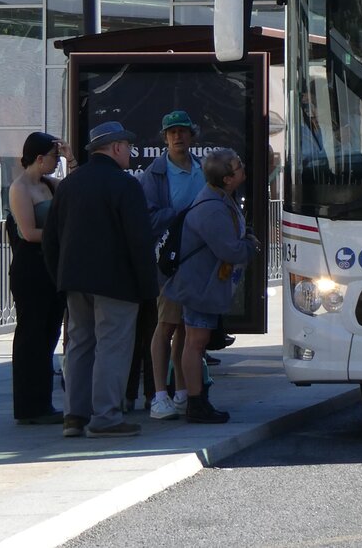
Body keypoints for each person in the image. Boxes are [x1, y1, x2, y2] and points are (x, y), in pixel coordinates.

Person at [42, 121, 158, 439]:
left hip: (74, 280)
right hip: (117, 284)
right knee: (112, 346)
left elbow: (51, 239)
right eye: (128, 147)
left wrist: (59, 277)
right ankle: (105, 417)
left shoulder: (68, 185)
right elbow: (139, 241)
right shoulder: (125, 186)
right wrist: (148, 288)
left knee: (78, 344)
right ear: (117, 147)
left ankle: (73, 416)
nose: (131, 153)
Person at [162, 148, 260, 424]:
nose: (243, 168)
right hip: (198, 285)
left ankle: (195, 398)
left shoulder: (218, 199)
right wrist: (250, 246)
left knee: (195, 341)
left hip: (201, 283)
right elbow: (229, 249)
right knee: (195, 342)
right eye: (238, 166)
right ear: (228, 178)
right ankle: (196, 402)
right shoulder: (213, 207)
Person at [136, 110, 205, 421]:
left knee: (185, 329)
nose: (177, 136)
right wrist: (181, 214)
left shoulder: (201, 169)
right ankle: (158, 395)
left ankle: (180, 392)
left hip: (198, 261)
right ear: (163, 138)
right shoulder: (154, 175)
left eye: (182, 131)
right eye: (171, 132)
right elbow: (147, 219)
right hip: (170, 262)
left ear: (191, 135)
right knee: (164, 327)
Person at [7, 131, 74, 425]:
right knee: (31, 335)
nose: (55, 162)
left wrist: (71, 158)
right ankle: (28, 405)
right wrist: (64, 236)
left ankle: (43, 402)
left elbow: (76, 187)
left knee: (49, 334)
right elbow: (29, 232)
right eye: (53, 157)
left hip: (50, 268)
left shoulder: (50, 184)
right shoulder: (20, 188)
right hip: (30, 268)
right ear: (38, 158)